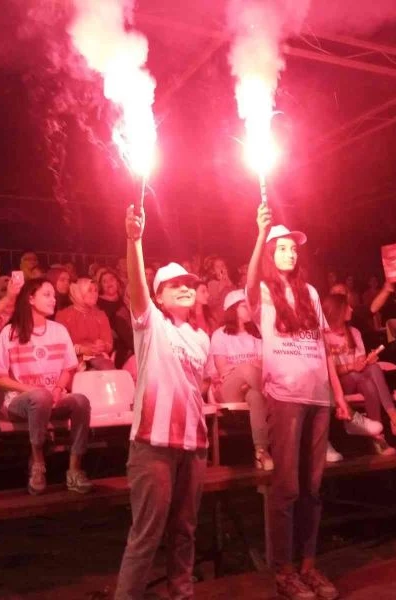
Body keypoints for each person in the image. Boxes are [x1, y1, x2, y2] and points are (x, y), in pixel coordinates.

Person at [246, 205, 351, 600]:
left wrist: (338, 395)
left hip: (317, 398)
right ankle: (284, 571)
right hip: (285, 398)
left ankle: (308, 566)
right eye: (283, 247)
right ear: (271, 252)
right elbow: (251, 275)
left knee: (313, 488)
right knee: (287, 488)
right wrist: (260, 233)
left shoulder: (309, 293)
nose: (290, 253)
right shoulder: (262, 293)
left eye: (293, 248)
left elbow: (323, 347)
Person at [114, 205, 211, 600]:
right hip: (153, 445)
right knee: (146, 535)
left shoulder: (203, 338)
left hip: (194, 447)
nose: (185, 288)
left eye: (190, 284)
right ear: (159, 295)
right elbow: (137, 288)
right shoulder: (150, 322)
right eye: (175, 285)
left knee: (185, 530)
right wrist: (134, 240)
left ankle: (181, 593)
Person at [0, 278, 93, 496]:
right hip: (18, 402)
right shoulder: (10, 333)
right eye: (46, 294)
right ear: (30, 298)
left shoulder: (59, 330)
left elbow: (68, 369)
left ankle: (74, 468)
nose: (53, 299)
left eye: (54, 295)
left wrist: (57, 389)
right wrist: (31, 390)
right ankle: (37, 463)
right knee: (40, 397)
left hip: (51, 398)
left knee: (81, 401)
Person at [323, 293, 396, 455]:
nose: (351, 308)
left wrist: (366, 361)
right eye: (347, 306)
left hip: (359, 379)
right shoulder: (324, 335)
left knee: (373, 373)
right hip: (340, 385)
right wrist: (351, 367)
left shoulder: (354, 332)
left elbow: (360, 363)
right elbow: (327, 371)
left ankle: (379, 436)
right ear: (337, 311)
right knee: (359, 375)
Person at [209, 289, 272, 470]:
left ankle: (261, 451)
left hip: (250, 387)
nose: (250, 309)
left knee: (255, 396)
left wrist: (246, 369)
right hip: (227, 389)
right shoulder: (219, 335)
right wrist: (247, 366)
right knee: (246, 368)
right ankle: (277, 399)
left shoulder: (256, 335)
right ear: (233, 309)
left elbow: (262, 365)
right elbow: (223, 370)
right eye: (245, 306)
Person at [55, 277, 115, 371]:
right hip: (72, 360)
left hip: (97, 357)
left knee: (105, 368)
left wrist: (103, 345)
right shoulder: (63, 316)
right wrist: (81, 349)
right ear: (78, 293)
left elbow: (108, 343)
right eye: (89, 290)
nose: (94, 294)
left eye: (96, 290)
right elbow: (60, 346)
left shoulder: (100, 315)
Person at [97, 267, 137, 376]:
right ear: (101, 286)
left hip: (129, 341)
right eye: (104, 281)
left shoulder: (124, 301)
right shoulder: (98, 303)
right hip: (113, 345)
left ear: (117, 282)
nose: (109, 283)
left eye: (111, 279)